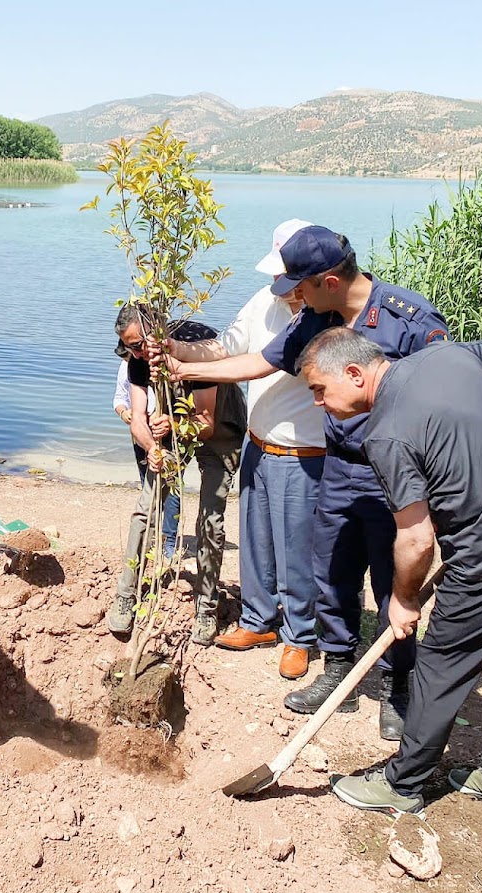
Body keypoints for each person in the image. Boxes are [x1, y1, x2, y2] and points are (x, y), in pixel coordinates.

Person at [164, 225, 449, 739]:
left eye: (303, 284)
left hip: (394, 476)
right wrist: (184, 367)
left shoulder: (408, 318)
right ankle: (336, 669)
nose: (294, 296)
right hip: (338, 467)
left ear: (330, 280)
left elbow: (444, 393)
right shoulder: (319, 316)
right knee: (333, 574)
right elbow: (262, 361)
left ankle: (396, 687)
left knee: (393, 582)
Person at [303, 328, 482, 824]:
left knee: (440, 664)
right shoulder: (448, 357)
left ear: (355, 373)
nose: (320, 402)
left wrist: (402, 600)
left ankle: (402, 783)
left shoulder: (385, 432)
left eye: (320, 389)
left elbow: (416, 539)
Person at [167, 219, 327, 681]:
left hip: (307, 453)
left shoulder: (327, 317)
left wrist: (184, 367)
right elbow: (225, 348)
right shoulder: (264, 300)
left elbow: (256, 366)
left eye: (291, 280)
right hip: (259, 444)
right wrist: (176, 350)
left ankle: (300, 636)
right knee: (255, 542)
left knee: (297, 548)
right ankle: (259, 620)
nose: (283, 288)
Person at [107, 306, 247, 646]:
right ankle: (126, 593)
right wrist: (152, 449)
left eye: (140, 345)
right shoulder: (137, 357)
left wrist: (173, 425)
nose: (136, 353)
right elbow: (137, 417)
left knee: (209, 518)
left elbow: (206, 423)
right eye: (130, 348)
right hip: (173, 425)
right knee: (146, 506)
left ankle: (206, 607)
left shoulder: (201, 344)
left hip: (218, 430)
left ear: (157, 331)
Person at [113, 359, 180, 560]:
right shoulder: (127, 365)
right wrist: (124, 412)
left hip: (168, 433)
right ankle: (151, 536)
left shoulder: (165, 364)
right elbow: (119, 398)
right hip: (141, 433)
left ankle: (169, 540)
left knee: (173, 486)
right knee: (148, 486)